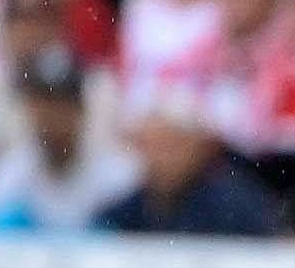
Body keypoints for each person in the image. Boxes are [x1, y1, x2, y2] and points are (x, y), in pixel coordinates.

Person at [0, 42, 140, 233]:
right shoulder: (10, 174)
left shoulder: (118, 175)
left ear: (81, 110)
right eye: (45, 106)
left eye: (62, 105)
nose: (53, 118)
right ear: (31, 110)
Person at [99, 89, 280, 237]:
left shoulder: (237, 205)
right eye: (152, 145)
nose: (161, 157)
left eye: (171, 145)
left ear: (201, 148)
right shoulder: (128, 207)